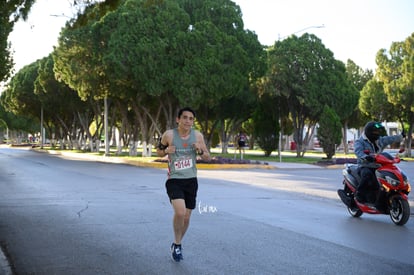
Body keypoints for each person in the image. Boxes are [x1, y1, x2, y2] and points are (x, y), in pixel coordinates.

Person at [156, 107, 211, 262]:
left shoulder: (197, 136)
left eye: (191, 118)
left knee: (186, 218)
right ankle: (178, 244)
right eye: (185, 118)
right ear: (178, 119)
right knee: (180, 212)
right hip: (174, 179)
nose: (188, 121)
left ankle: (177, 243)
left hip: (191, 180)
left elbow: (207, 157)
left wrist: (200, 151)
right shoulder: (169, 135)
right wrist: (166, 150)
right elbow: (158, 151)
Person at [354, 121, 404, 202]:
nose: (376, 133)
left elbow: (389, 139)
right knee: (367, 175)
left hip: (378, 166)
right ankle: (359, 194)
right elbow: (358, 152)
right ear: (369, 131)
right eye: (374, 131)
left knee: (390, 175)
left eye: (377, 131)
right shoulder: (360, 141)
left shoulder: (379, 140)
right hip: (365, 166)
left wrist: (401, 136)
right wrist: (366, 157)